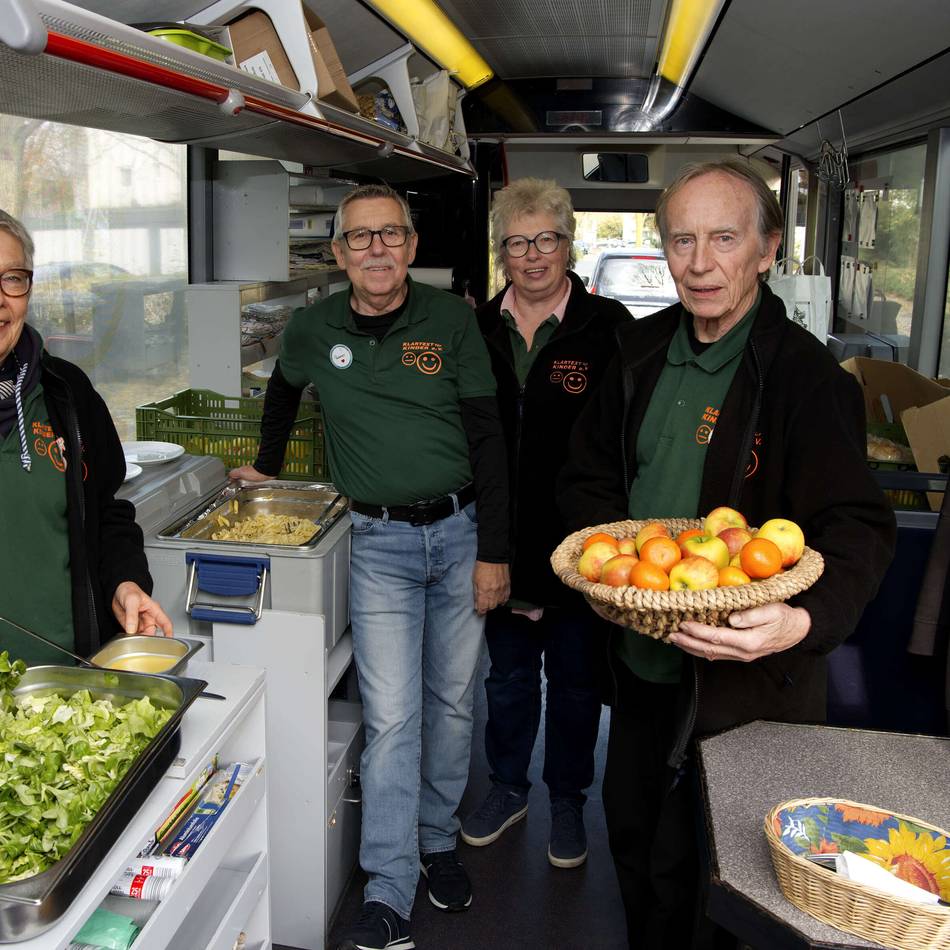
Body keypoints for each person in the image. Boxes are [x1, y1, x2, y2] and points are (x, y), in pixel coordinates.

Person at [556, 161, 896, 949]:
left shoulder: (807, 379)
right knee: (638, 850)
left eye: (724, 238)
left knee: (730, 889)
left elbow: (857, 527)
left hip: (752, 691)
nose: (700, 262)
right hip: (643, 666)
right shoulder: (636, 352)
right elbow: (586, 479)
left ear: (769, 248)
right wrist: (617, 568)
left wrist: (798, 621)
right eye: (682, 239)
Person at [230, 183, 510, 950]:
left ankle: (438, 840)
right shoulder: (313, 327)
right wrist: (263, 465)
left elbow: (490, 439)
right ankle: (389, 886)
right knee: (392, 718)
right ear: (340, 253)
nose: (377, 249)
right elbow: (284, 389)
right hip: (378, 544)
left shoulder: (453, 321)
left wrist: (496, 551)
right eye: (360, 238)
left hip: (459, 536)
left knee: (452, 705)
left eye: (391, 235)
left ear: (412, 249)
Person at [460, 179, 628, 868]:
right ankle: (508, 786)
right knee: (505, 680)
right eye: (517, 243)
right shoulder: (473, 329)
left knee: (576, 677)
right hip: (499, 538)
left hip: (581, 543)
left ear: (569, 244)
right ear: (502, 252)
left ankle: (567, 798)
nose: (532, 256)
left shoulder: (610, 327)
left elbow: (627, 438)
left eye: (546, 240)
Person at [0, 210, 172, 666]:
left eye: (12, 279)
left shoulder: (67, 393)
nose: (0, 299)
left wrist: (125, 583)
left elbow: (107, 514)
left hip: (63, 686)